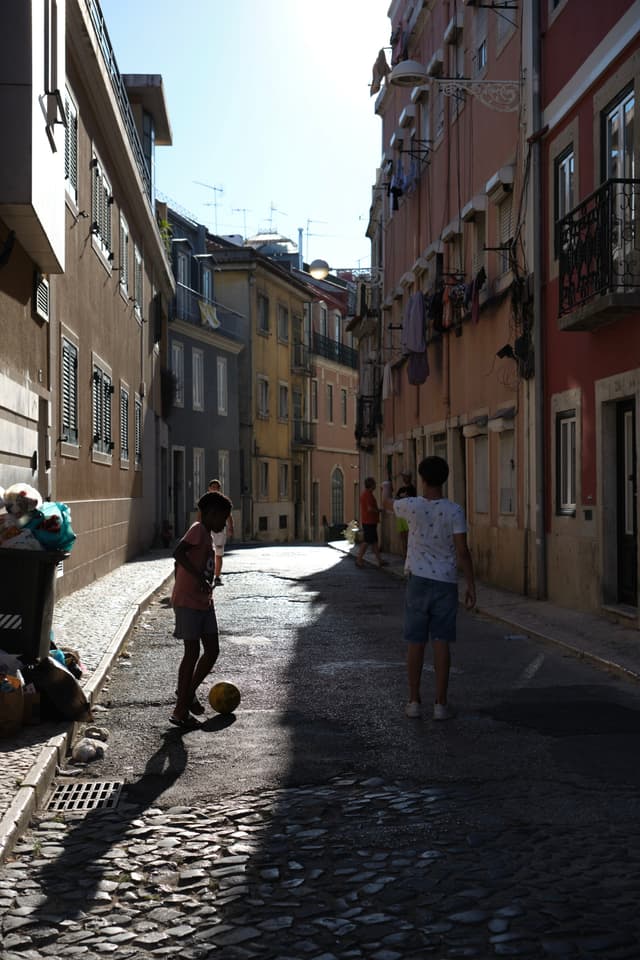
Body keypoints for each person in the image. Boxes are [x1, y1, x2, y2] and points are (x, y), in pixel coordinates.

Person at [381, 456, 475, 721]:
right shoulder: (455, 510)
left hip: (418, 581)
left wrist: (387, 484)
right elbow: (463, 551)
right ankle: (440, 704)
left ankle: (413, 701)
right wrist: (470, 585)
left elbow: (385, 503)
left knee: (415, 642)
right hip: (445, 582)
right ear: (444, 479)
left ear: (422, 480)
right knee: (442, 642)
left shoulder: (412, 506)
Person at [170, 490, 232, 730]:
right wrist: (196, 577)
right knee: (192, 652)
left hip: (205, 600)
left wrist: (206, 584)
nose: (224, 523)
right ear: (211, 514)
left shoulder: (206, 534)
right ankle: (181, 708)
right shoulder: (197, 529)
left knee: (213, 650)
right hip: (188, 600)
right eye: (223, 518)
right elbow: (178, 553)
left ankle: (186, 692)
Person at [207, 479, 234, 585]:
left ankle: (217, 576)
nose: (214, 489)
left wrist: (231, 527)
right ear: (209, 489)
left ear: (219, 489)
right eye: (212, 487)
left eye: (216, 487)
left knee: (218, 554)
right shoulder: (205, 501)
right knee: (207, 554)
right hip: (207, 530)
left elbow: (228, 515)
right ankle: (208, 575)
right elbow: (200, 515)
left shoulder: (223, 501)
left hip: (219, 530)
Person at [355, 476, 385, 568]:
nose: (375, 485)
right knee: (367, 542)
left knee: (374, 542)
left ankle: (380, 561)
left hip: (370, 521)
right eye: (374, 483)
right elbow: (369, 508)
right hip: (369, 522)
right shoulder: (367, 495)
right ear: (371, 485)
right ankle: (359, 560)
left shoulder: (367, 494)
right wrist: (379, 510)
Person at [395, 470, 417, 560]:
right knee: (403, 537)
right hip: (401, 517)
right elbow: (396, 498)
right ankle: (405, 555)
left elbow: (413, 500)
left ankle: (410, 555)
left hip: (409, 516)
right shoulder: (401, 489)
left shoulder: (412, 489)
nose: (404, 478)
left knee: (409, 536)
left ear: (410, 478)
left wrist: (402, 497)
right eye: (403, 477)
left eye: (406, 477)